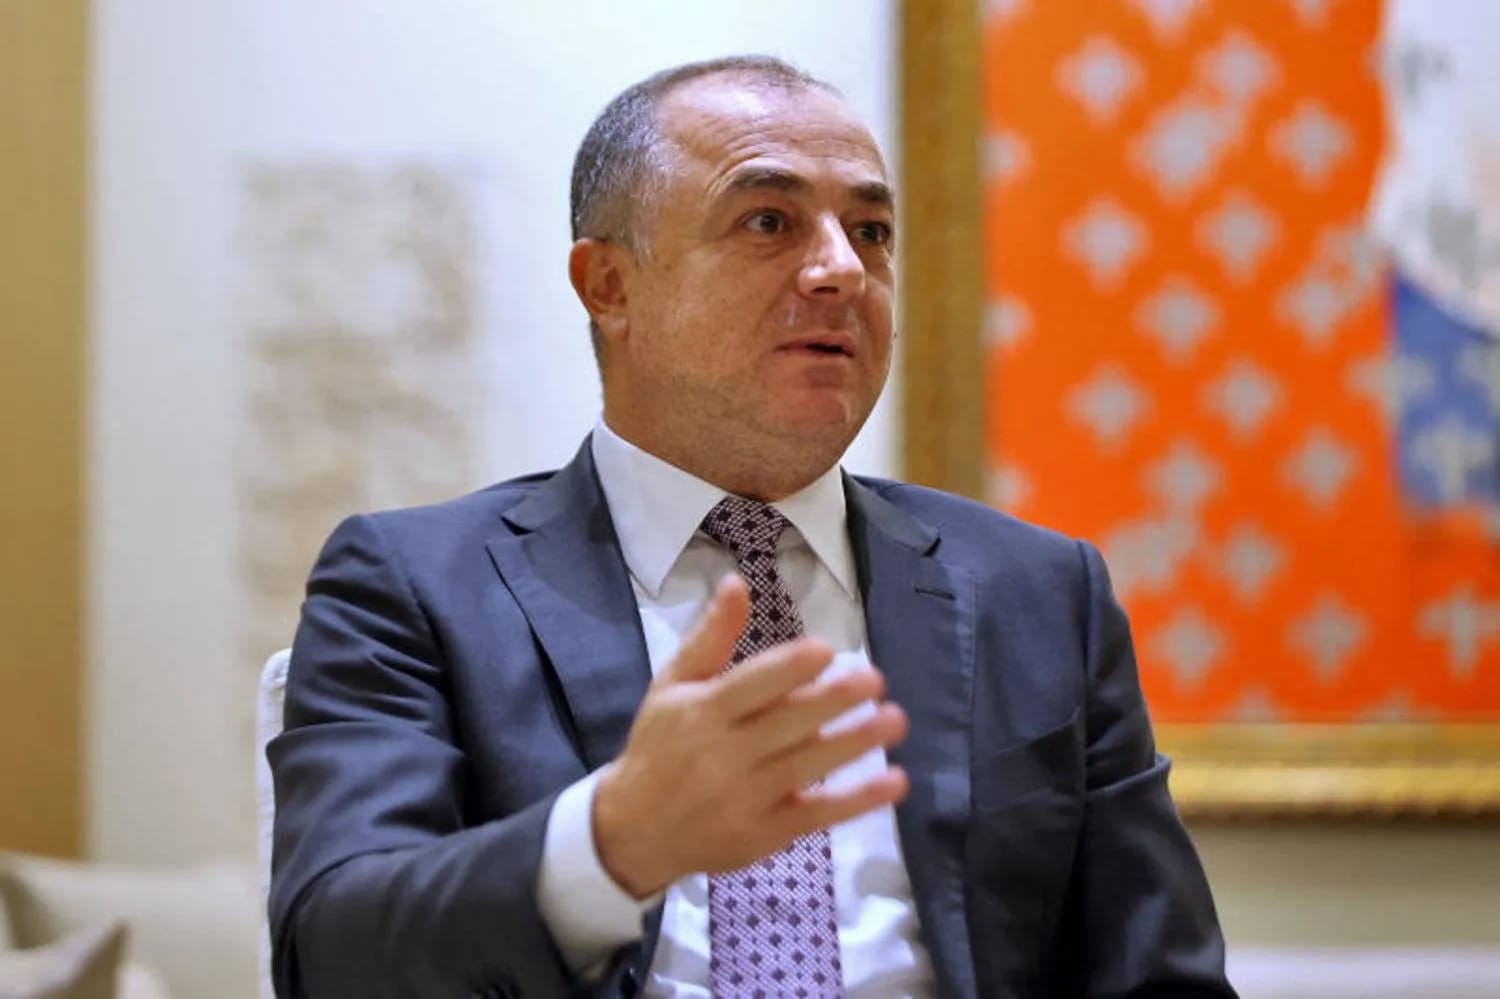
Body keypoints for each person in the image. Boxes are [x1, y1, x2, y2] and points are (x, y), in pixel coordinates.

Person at [267, 56, 1235, 999]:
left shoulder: (1037, 591)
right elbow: (335, 952)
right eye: (769, 221)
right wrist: (611, 842)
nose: (842, 270)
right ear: (610, 287)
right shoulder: (415, 585)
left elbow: (1161, 975)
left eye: (871, 230)